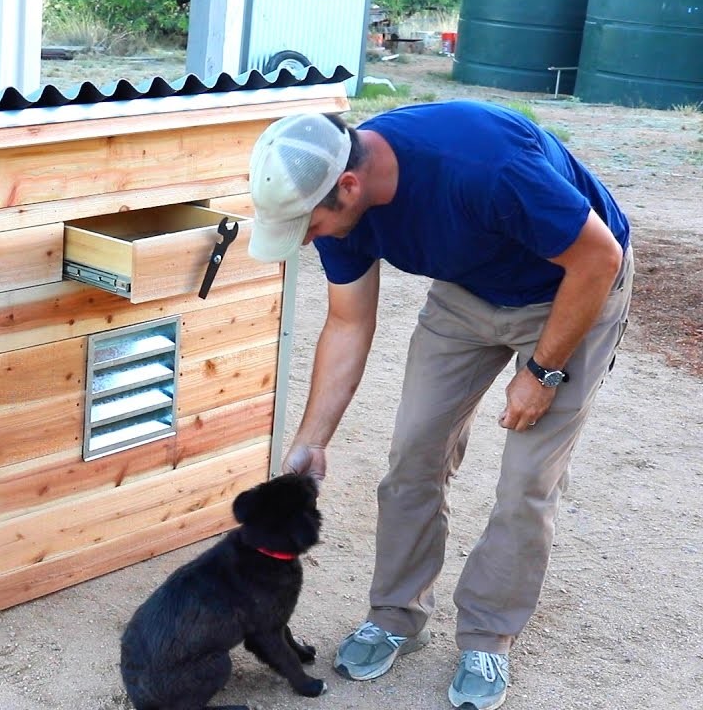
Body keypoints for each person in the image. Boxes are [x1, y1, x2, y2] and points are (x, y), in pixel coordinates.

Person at [244, 101, 632, 710]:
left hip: (572, 288)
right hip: (467, 293)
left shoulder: (483, 166)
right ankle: (396, 615)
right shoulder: (340, 206)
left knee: (527, 480)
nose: (309, 239)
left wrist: (543, 370)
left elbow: (598, 257)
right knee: (413, 457)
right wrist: (313, 438)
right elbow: (347, 324)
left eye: (311, 226)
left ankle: (487, 634)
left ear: (349, 185)